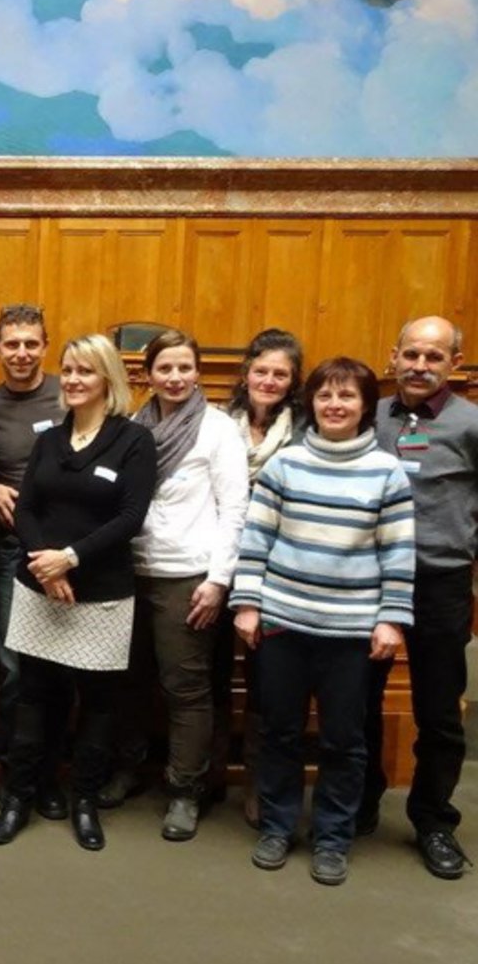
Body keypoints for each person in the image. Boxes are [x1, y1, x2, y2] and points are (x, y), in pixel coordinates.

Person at [230, 357, 413, 886]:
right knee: (281, 733)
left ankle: (333, 837)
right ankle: (278, 826)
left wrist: (391, 621)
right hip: (284, 625)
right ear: (311, 403)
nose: (335, 405)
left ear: (365, 407)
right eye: (325, 396)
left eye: (347, 397)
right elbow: (256, 539)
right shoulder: (285, 465)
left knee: (343, 741)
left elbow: (398, 553)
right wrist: (247, 604)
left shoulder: (387, 471)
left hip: (353, 634)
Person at [0, 333, 156, 852]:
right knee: (34, 696)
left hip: (103, 593)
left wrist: (72, 558)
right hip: (40, 587)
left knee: (98, 704)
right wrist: (47, 563)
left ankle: (83, 801)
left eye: (84, 371)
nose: (71, 380)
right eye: (66, 370)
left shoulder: (133, 441)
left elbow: (130, 517)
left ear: (107, 378)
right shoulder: (49, 438)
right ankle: (20, 796)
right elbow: (27, 509)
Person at [362, 316, 476, 880]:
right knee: (356, 699)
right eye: (411, 354)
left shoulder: (470, 424)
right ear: (394, 356)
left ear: (454, 363)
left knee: (438, 711)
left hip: (439, 582)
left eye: (434, 357)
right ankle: (359, 801)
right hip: (368, 578)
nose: (420, 366)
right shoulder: (370, 415)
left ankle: (433, 821)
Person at [126, 329, 247, 842]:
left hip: (188, 576)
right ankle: (128, 769)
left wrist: (219, 581)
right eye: (164, 369)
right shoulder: (134, 425)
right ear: (147, 375)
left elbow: (235, 509)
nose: (175, 378)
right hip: (131, 570)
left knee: (186, 690)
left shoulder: (218, 430)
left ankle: (185, 791)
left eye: (184, 368)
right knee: (128, 683)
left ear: (198, 372)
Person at [0, 304, 71, 844]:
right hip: (13, 554)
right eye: (11, 344)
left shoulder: (69, 395)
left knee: (60, 671)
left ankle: (48, 777)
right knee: (15, 669)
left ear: (45, 346)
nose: (21, 353)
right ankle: (15, 774)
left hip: (68, 556)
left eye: (31, 343)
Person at [220, 328, 305, 827]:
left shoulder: (306, 429)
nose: (269, 381)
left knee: (265, 683)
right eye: (261, 371)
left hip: (279, 569)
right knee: (209, 674)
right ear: (245, 373)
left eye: (280, 374)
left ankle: (259, 783)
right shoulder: (215, 424)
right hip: (218, 559)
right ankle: (203, 779)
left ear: (292, 382)